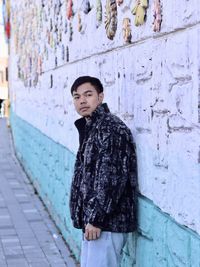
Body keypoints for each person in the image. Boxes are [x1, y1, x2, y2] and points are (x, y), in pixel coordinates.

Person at [69, 76, 138, 267]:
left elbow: (111, 179)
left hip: (106, 224)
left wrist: (96, 219)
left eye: (88, 95)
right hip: (95, 222)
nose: (82, 101)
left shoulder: (111, 129)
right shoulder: (92, 127)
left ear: (100, 97)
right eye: (77, 97)